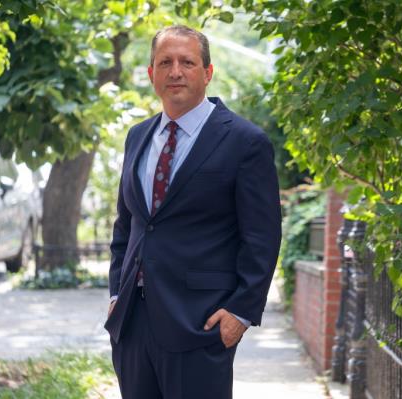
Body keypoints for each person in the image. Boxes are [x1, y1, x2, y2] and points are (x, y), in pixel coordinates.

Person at [104, 24, 282, 399]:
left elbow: (262, 238)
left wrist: (241, 312)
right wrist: (115, 293)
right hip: (133, 325)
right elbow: (128, 225)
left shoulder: (245, 142)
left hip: (201, 324)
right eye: (164, 62)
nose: (175, 72)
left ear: (208, 72)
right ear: (151, 73)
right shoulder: (137, 136)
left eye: (187, 62)